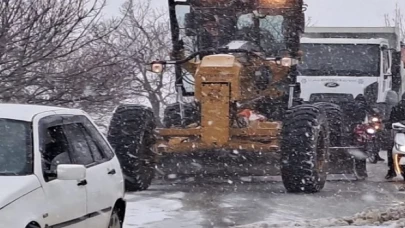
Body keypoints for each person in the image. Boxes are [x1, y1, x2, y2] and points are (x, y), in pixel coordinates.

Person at [385, 93, 405, 180]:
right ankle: (392, 169)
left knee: (391, 147)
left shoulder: (397, 107)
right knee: (392, 147)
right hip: (400, 132)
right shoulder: (398, 107)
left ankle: (391, 170)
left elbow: (391, 120)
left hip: (399, 131)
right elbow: (391, 121)